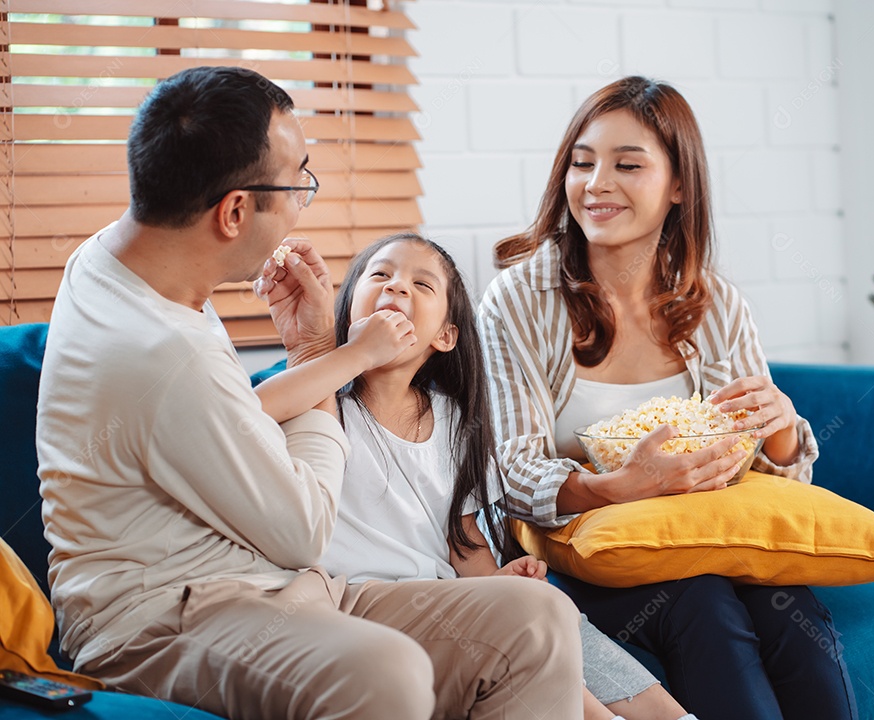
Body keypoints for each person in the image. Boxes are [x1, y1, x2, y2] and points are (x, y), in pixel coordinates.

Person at [35, 66, 585, 720]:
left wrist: (321, 352)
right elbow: (303, 530)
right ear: (234, 212)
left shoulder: (116, 260)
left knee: (538, 617)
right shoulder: (165, 355)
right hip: (165, 616)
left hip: (277, 588)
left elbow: (228, 423)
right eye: (298, 183)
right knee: (386, 672)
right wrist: (322, 351)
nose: (303, 201)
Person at [477, 76, 859, 720]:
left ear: (679, 185)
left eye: (627, 165)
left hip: (702, 534)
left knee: (791, 611)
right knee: (703, 606)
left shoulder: (715, 303)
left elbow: (769, 479)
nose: (596, 184)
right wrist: (616, 487)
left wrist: (780, 432)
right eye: (582, 163)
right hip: (585, 552)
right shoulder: (518, 301)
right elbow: (508, 469)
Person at [254, 232, 698, 720]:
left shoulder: (454, 422)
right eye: (380, 275)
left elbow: (463, 543)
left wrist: (498, 581)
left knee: (555, 612)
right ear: (348, 310)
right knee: (532, 627)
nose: (397, 287)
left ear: (445, 336)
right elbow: (249, 414)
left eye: (422, 285)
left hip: (447, 600)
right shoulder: (322, 401)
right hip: (360, 606)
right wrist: (353, 354)